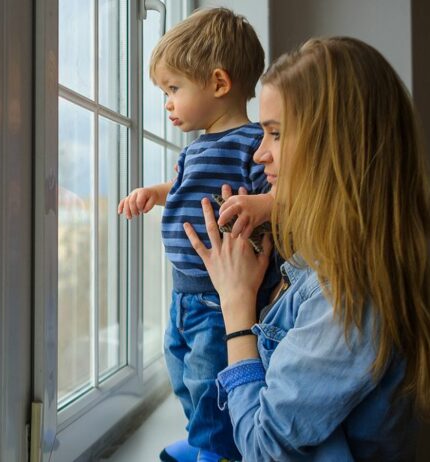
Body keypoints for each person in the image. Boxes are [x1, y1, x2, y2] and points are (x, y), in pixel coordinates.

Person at [183, 36, 430, 461]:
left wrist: (236, 307)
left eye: (275, 134)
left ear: (337, 146)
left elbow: (263, 449)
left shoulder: (347, 297)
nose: (261, 154)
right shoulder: (333, 263)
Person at [118, 8, 279, 462]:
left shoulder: (252, 142)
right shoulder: (197, 148)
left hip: (219, 295)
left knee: (210, 379)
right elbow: (186, 190)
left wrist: (262, 205)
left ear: (219, 84)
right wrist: (155, 192)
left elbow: (282, 198)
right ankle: (203, 437)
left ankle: (217, 451)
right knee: (182, 370)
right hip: (184, 292)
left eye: (174, 89)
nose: (167, 102)